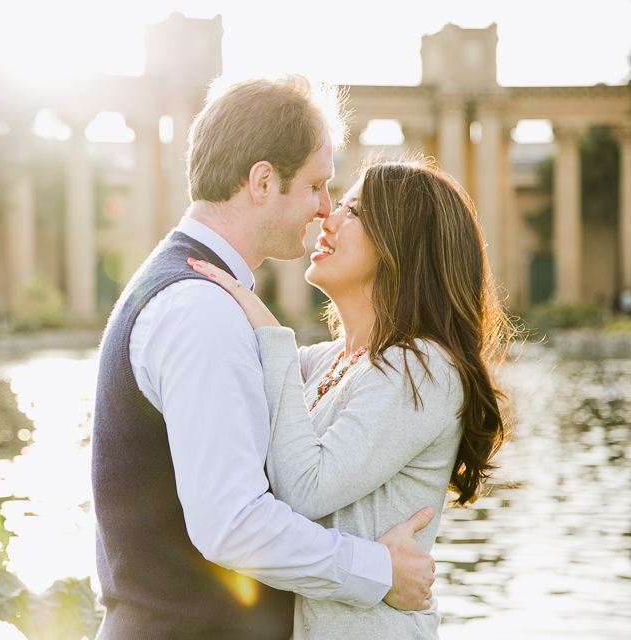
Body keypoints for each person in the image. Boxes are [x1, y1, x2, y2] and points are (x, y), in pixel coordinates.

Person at [91, 76, 436, 640]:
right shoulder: (199, 310)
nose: (326, 208)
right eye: (317, 186)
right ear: (261, 181)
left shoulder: (191, 291)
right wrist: (379, 570)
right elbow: (231, 525)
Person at [190, 157, 512, 638]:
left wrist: (270, 333)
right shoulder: (327, 361)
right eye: (336, 203)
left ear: (402, 245)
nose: (328, 217)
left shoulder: (423, 367)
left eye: (355, 212)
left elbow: (303, 489)